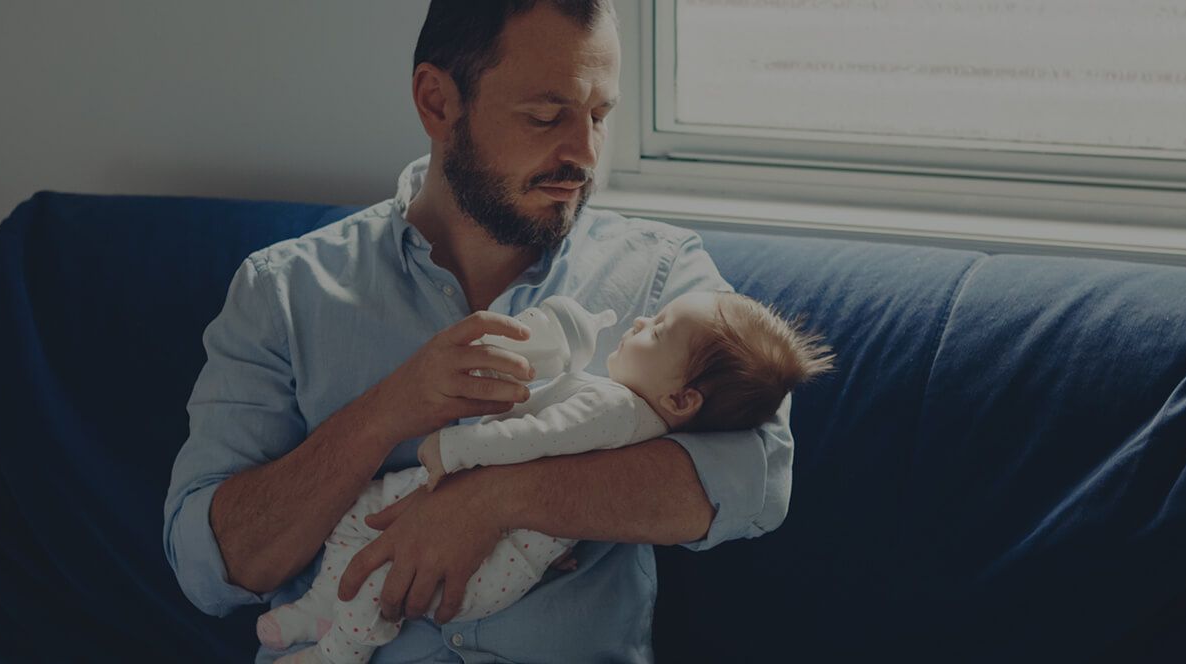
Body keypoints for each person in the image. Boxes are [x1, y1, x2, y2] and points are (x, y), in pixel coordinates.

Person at [164, 2, 803, 661]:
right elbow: (212, 566)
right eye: (546, 115)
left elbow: (758, 477)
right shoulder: (284, 292)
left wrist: (498, 497)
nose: (583, 153)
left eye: (599, 116)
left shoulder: (660, 282)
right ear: (437, 102)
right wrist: (387, 412)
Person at [255, 293, 833, 663]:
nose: (638, 320)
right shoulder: (630, 416)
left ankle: (336, 650)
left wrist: (456, 447)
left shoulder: (613, 409)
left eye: (655, 330)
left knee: (375, 544)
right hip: (513, 560)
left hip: (489, 567)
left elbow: (536, 438)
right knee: (367, 520)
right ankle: (318, 608)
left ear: (682, 398)